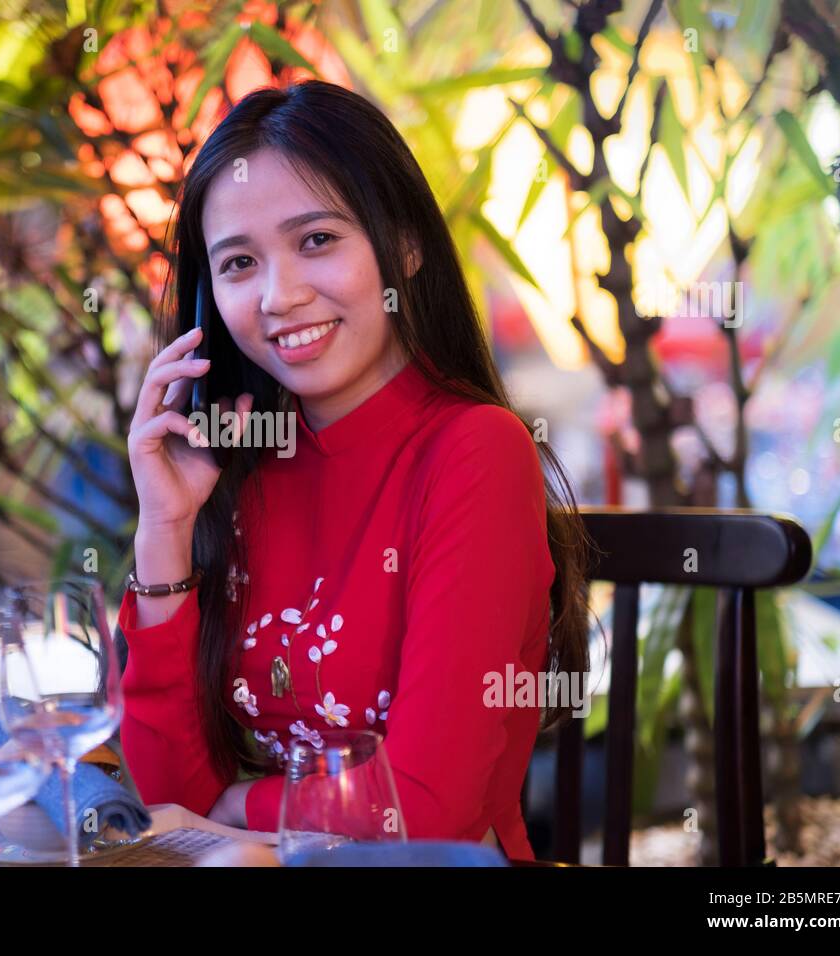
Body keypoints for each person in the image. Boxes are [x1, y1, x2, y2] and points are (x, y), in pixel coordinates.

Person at [118, 79, 589, 861]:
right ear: (209, 303)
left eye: (316, 240)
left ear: (403, 244)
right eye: (239, 263)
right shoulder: (236, 469)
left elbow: (426, 810)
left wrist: (228, 808)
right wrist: (164, 529)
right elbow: (163, 800)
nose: (282, 296)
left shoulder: (477, 451)